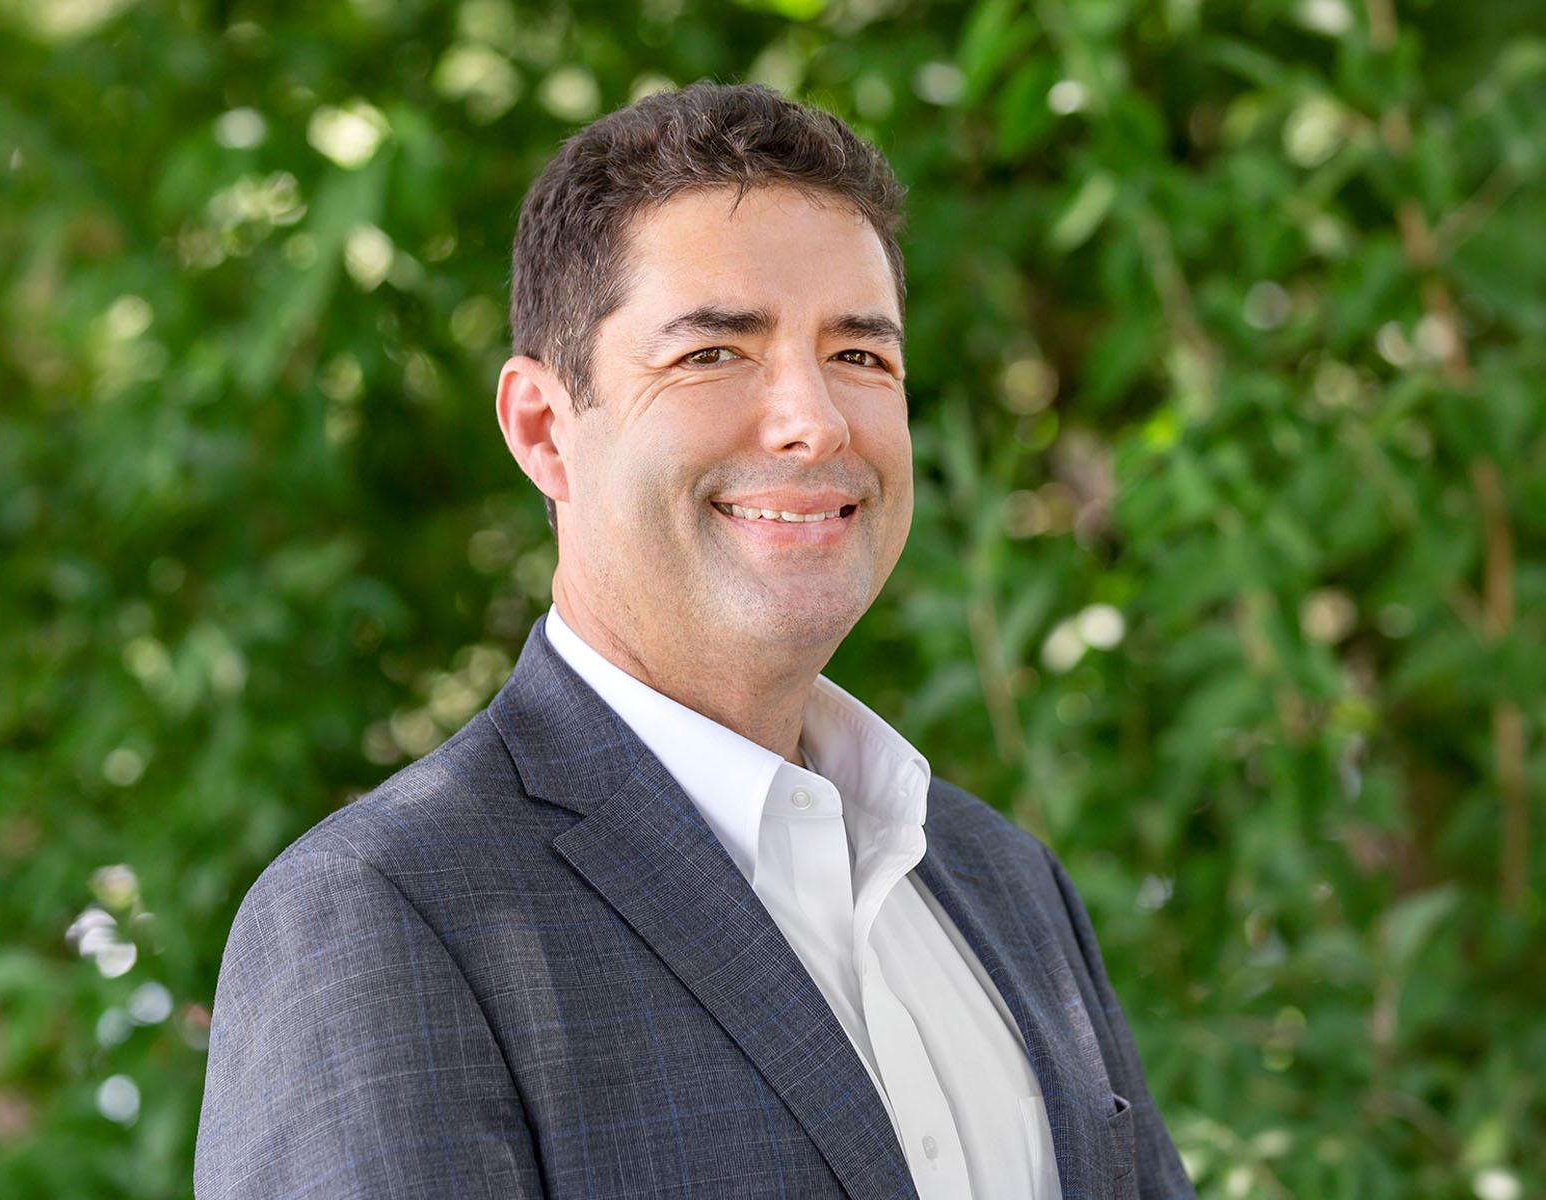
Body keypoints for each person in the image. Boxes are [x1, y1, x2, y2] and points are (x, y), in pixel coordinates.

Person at [196, 82, 1192, 1200]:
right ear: (542, 430)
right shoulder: (387, 916)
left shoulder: (1005, 883)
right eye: (715, 353)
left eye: (859, 356)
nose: (813, 420)